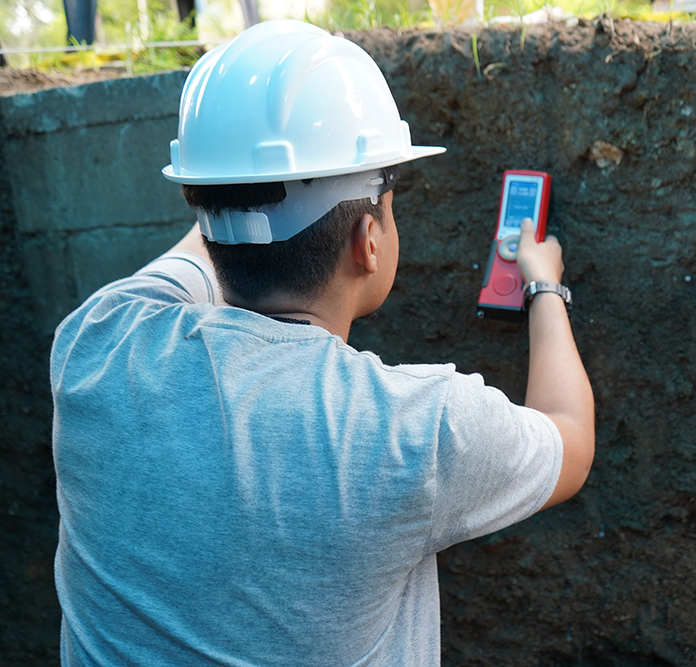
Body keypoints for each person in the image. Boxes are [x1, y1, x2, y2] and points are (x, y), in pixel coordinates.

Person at [50, 19, 593, 667]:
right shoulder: (418, 432)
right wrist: (542, 285)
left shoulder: (97, 342)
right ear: (369, 240)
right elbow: (570, 438)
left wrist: (246, 165)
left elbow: (218, 231)